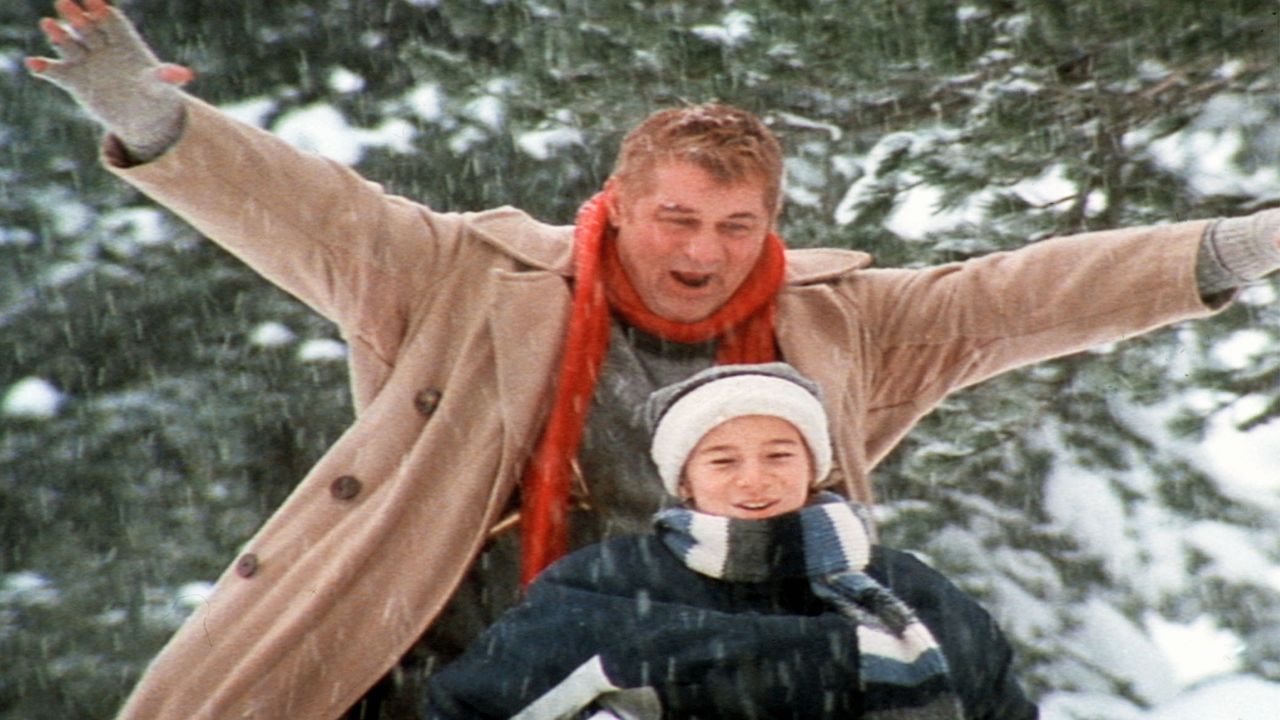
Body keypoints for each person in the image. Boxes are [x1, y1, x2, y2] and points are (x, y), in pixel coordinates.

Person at [25, 1, 1280, 718]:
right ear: (619, 204)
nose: (703, 251)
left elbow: (1017, 293)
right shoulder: (467, 278)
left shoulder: (837, 322)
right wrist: (155, 118)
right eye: (676, 218)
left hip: (698, 678)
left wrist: (1229, 247)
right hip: (448, 667)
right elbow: (314, 212)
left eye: (736, 226)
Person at [423, 363, 1037, 719]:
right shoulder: (609, 581)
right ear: (685, 481)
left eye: (779, 454)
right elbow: (471, 708)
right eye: (722, 460)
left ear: (814, 466)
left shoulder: (908, 589)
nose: (754, 480)